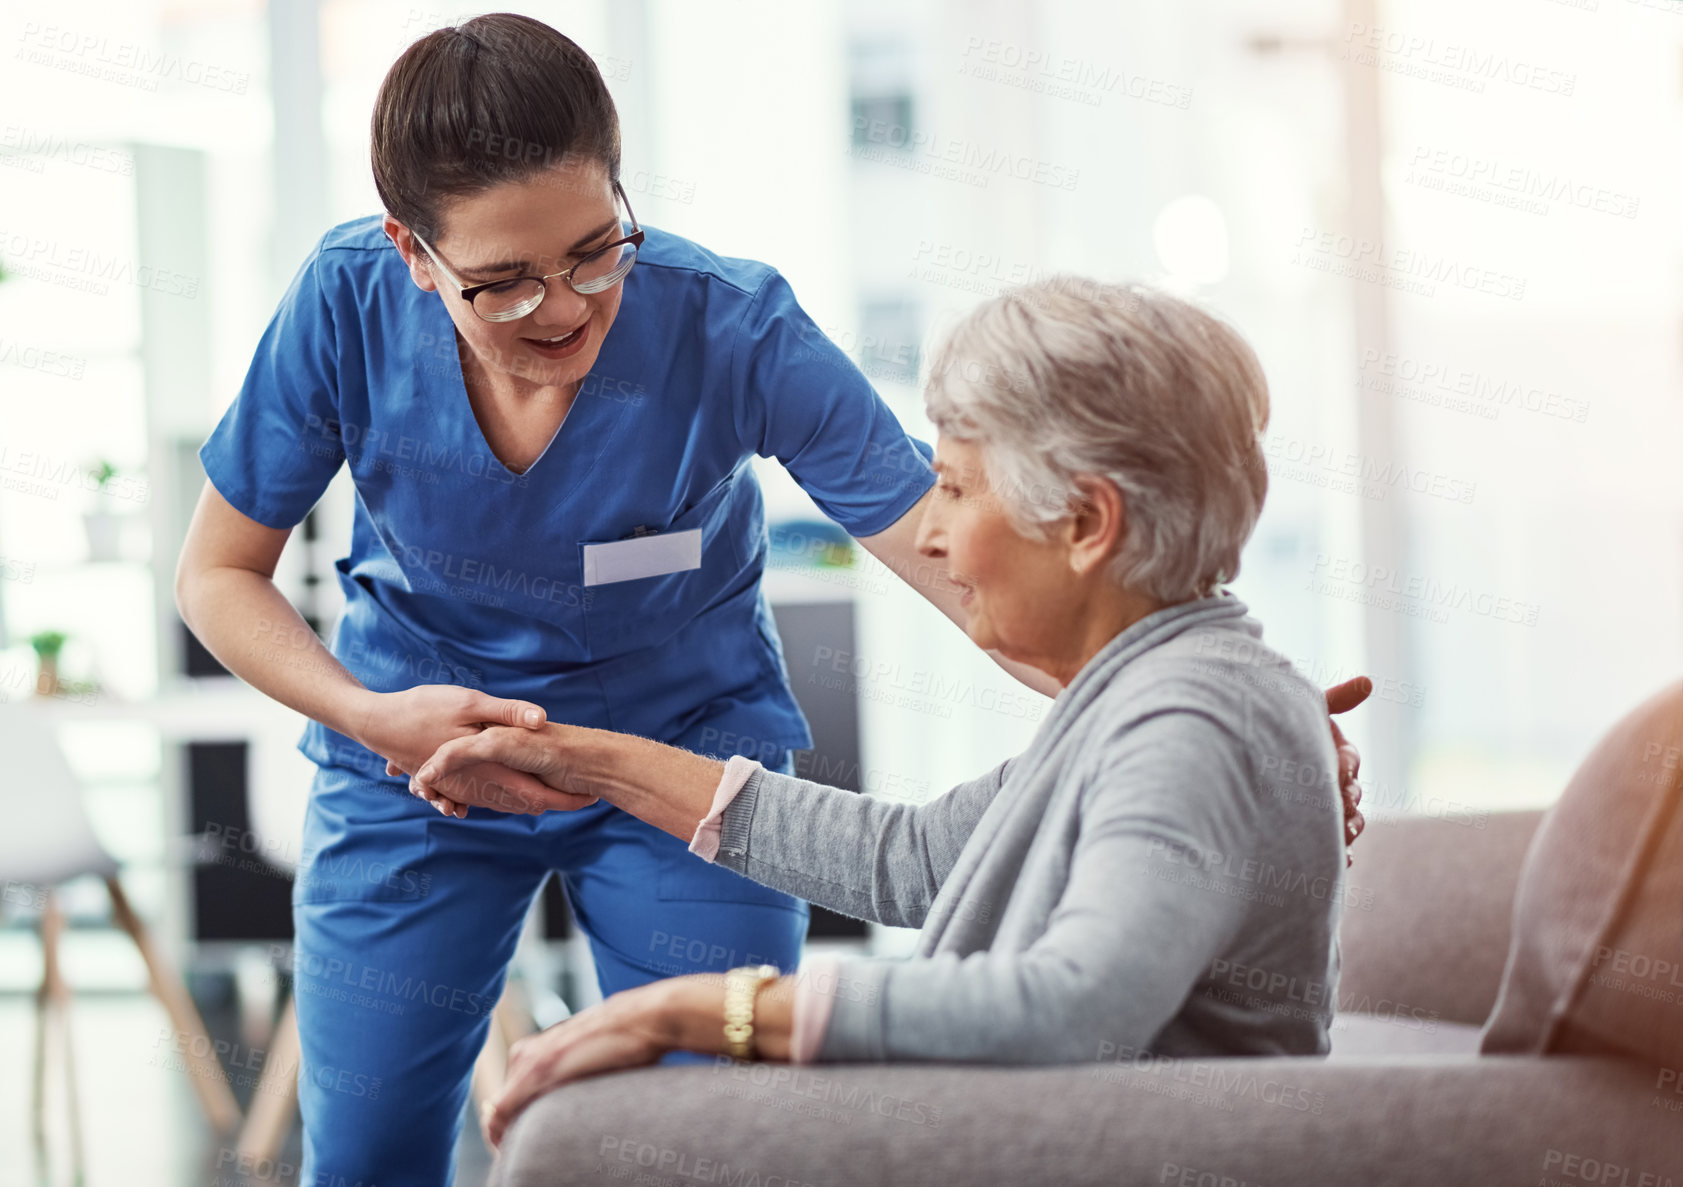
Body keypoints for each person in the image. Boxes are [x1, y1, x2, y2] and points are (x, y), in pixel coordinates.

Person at [174, 14, 1367, 1181]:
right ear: (411, 253)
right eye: (503, 283)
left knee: (710, 1147)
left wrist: (1227, 721)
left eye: (597, 249)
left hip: (689, 751)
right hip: (411, 760)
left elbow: (986, 577)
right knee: (372, 1149)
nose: (568, 306)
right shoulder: (343, 304)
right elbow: (217, 571)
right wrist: (373, 714)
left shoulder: (733, 324)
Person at [410, 277, 1359, 1153]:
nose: (931, 534)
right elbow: (907, 861)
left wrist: (703, 1010)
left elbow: (1074, 1004)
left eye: (950, 485)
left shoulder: (1192, 717)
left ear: (1085, 523)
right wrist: (581, 758)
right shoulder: (1154, 693)